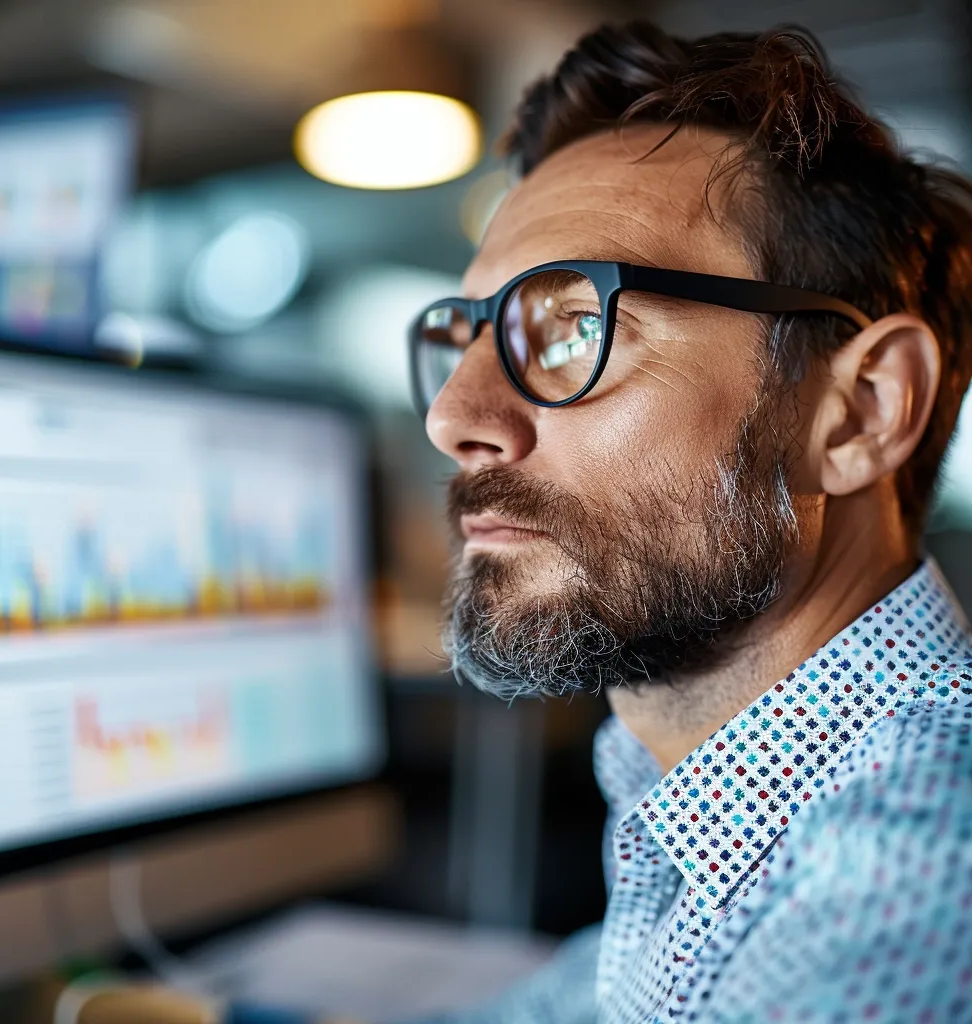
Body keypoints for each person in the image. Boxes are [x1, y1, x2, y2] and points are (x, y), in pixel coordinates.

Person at [407, 18, 972, 1024]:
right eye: (467, 333)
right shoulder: (723, 815)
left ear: (860, 412)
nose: (454, 417)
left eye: (576, 324)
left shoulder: (919, 875)